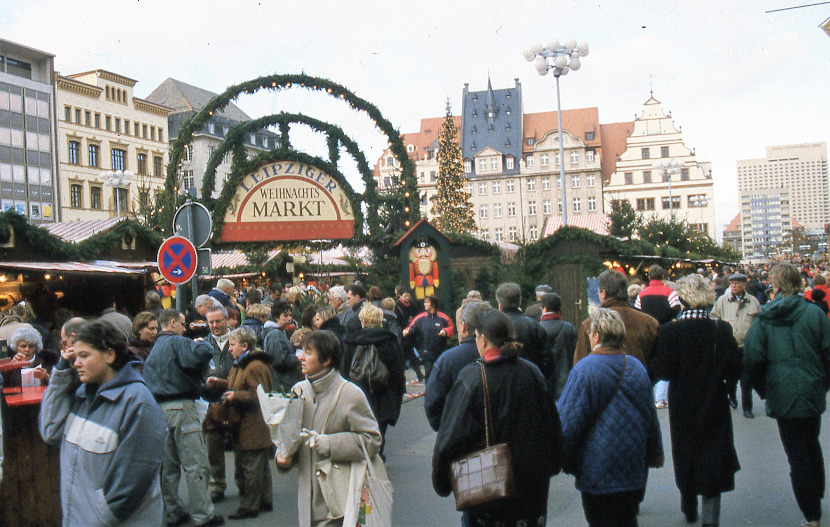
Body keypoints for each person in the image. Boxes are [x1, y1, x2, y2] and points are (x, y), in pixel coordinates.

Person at [432, 310, 563, 527]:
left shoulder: (472, 378)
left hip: (488, 495)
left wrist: (442, 481)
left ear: (483, 339)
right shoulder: (532, 373)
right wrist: (553, 463)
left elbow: (451, 436)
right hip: (531, 495)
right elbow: (552, 426)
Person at [39, 319, 167, 526]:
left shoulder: (137, 403)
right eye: (74, 356)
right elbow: (51, 431)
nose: (76, 363)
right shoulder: (82, 395)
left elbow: (132, 481)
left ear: (109, 354)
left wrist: (101, 517)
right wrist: (62, 372)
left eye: (84, 355)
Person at [558, 308, 664, 527]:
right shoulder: (636, 367)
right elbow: (649, 416)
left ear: (596, 336)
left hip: (597, 465)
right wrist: (654, 453)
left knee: (600, 520)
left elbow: (569, 421)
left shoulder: (584, 370)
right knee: (627, 519)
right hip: (633, 462)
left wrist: (562, 457)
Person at [744, 263, 830, 527]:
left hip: (781, 390)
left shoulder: (764, 318)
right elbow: (827, 353)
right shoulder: (815, 314)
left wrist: (765, 389)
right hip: (811, 385)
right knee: (811, 441)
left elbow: (753, 359)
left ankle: (811, 514)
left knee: (796, 453)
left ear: (776, 285)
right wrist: (822, 383)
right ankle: (816, 494)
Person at [653, 274, 741, 526]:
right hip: (714, 400)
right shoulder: (720, 329)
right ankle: (711, 517)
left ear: (680, 299)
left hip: (682, 401)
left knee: (685, 452)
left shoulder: (670, 331)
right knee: (713, 454)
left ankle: (689, 505)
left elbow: (666, 371)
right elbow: (734, 369)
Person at [275, 330, 382, 527]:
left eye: (308, 352)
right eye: (301, 351)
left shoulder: (350, 393)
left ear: (326, 360)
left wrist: (330, 443)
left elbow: (372, 439)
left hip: (339, 502)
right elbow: (288, 437)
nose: (301, 357)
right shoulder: (298, 391)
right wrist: (283, 456)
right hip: (307, 505)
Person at [143, 309, 224, 527]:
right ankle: (202, 514)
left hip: (159, 410)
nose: (184, 327)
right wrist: (200, 342)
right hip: (181, 407)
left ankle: (173, 512)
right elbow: (200, 355)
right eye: (182, 323)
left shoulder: (154, 349)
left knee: (168, 466)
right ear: (172, 323)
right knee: (195, 463)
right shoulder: (177, 342)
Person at [206, 328, 274, 519]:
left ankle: (250, 506)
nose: (229, 349)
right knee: (258, 465)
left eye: (233, 344)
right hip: (246, 423)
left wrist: (235, 396)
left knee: (251, 466)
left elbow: (258, 395)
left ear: (245, 346)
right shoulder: (241, 364)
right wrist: (220, 383)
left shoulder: (254, 366)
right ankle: (264, 500)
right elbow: (234, 385)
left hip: (253, 423)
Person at [343, 304, 406, 457]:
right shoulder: (389, 341)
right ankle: (377, 457)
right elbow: (398, 370)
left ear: (362, 321)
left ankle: (365, 457)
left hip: (359, 394)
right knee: (379, 430)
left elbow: (344, 370)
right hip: (383, 395)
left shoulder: (352, 342)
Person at [424, 301, 493, 431]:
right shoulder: (509, 356)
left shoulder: (447, 360)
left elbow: (432, 402)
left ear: (463, 326)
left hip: (459, 436)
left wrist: (446, 429)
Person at [573, 270, 659, 367]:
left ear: (603, 293)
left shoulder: (590, 324)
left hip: (601, 380)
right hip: (639, 378)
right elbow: (656, 362)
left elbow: (579, 364)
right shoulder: (649, 323)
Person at [710, 272, 762, 418]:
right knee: (731, 377)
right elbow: (714, 317)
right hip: (729, 346)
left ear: (744, 285)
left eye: (738, 283)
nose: (734, 286)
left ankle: (747, 407)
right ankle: (731, 396)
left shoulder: (752, 301)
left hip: (747, 346)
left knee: (747, 379)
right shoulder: (722, 300)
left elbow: (759, 321)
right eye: (732, 283)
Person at [202, 305, 234, 504]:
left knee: (241, 446)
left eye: (218, 321)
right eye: (211, 322)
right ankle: (217, 485)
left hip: (235, 399)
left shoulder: (238, 340)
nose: (215, 325)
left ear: (227, 320)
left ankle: (245, 484)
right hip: (212, 402)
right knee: (213, 447)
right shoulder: (203, 345)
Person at [496, 282, 551, 378]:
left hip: (499, 381)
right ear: (519, 302)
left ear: (500, 304)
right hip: (529, 381)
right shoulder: (535, 326)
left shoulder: (493, 326)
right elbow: (547, 360)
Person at [402, 294, 455, 380]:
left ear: (433, 305)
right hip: (426, 352)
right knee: (429, 373)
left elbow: (452, 328)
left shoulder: (443, 317)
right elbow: (412, 326)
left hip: (440, 352)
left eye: (427, 302)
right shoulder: (421, 317)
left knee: (441, 374)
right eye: (424, 302)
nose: (424, 304)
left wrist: (445, 332)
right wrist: (407, 331)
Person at [539, 292, 577, 398]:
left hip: (544, 384)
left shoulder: (537, 329)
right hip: (566, 383)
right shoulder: (569, 329)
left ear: (544, 308)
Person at [263, 299, 302, 392]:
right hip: (282, 382)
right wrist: (298, 357)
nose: (289, 318)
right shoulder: (275, 334)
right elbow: (279, 360)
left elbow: (280, 350)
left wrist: (293, 346)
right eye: (285, 316)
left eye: (290, 315)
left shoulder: (280, 331)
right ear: (276, 317)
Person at [394, 285, 424, 382]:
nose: (407, 298)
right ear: (400, 296)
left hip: (411, 332)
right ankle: (405, 376)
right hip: (403, 334)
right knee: (406, 355)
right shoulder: (397, 306)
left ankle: (419, 373)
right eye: (405, 296)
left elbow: (417, 316)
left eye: (408, 296)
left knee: (412, 354)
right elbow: (397, 320)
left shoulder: (412, 305)